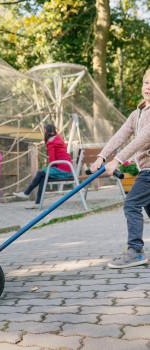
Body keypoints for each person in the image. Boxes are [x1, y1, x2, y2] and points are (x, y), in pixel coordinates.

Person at [90, 69, 150, 269]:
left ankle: (136, 252)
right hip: (145, 170)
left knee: (131, 204)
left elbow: (142, 140)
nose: (148, 87)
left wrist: (118, 160)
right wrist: (102, 156)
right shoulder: (138, 113)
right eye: (146, 83)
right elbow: (121, 135)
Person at [13, 124, 73, 209]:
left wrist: (49, 169)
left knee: (40, 173)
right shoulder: (57, 138)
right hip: (67, 169)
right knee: (43, 177)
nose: (43, 133)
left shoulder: (51, 142)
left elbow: (52, 159)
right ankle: (37, 203)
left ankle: (26, 193)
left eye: (44, 131)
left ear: (49, 132)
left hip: (63, 170)